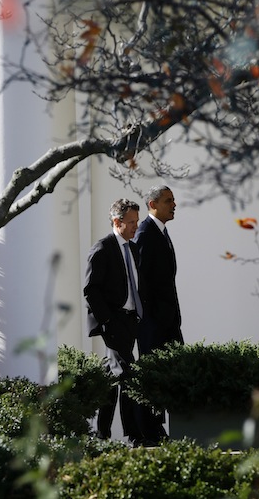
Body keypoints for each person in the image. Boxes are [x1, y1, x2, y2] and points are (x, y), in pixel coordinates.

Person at [83, 198, 144, 443]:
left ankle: (101, 433)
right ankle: (134, 434)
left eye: (137, 222)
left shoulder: (133, 248)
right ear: (117, 222)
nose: (135, 227)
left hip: (131, 320)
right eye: (131, 222)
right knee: (129, 374)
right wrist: (107, 320)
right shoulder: (102, 248)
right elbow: (90, 290)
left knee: (112, 375)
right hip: (113, 321)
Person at [133, 185, 184, 443]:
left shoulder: (161, 232)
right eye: (168, 201)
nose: (174, 205)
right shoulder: (145, 233)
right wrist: (150, 319)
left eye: (173, 200)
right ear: (152, 205)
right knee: (151, 376)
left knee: (171, 373)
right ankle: (149, 432)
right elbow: (142, 282)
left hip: (168, 322)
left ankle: (161, 428)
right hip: (154, 323)